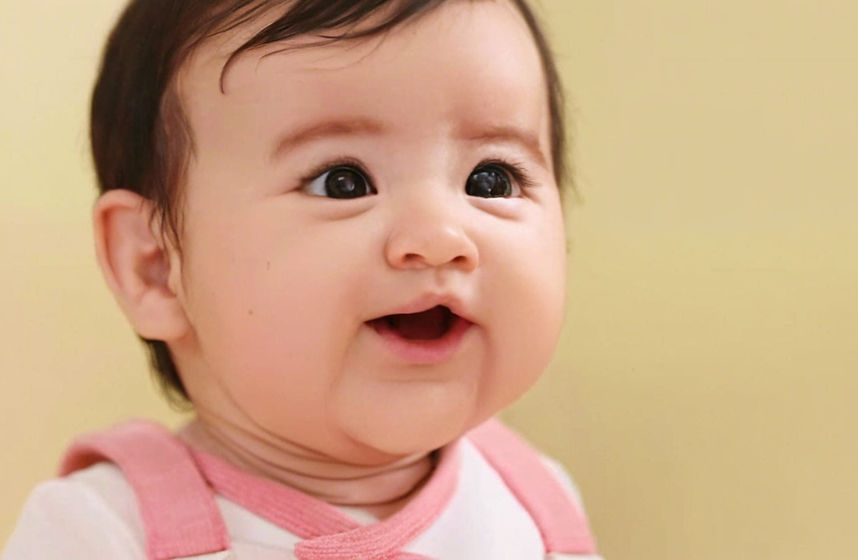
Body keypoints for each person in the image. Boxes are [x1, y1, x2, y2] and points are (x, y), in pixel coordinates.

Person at [3, 0, 600, 558]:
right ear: (155, 267)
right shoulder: (101, 532)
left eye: (490, 180)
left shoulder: (535, 504)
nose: (441, 236)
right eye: (341, 180)